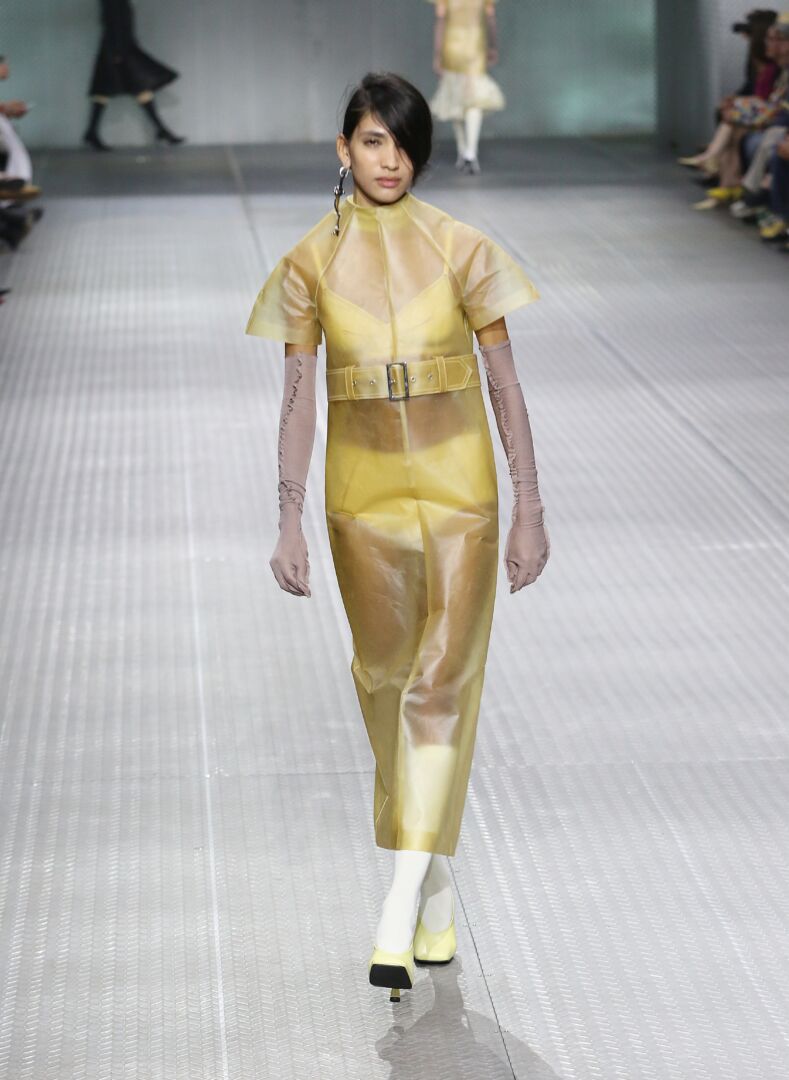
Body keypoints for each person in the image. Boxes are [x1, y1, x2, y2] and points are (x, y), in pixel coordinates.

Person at [245, 72, 549, 1001]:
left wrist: (529, 506)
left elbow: (505, 386)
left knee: (439, 685)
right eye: (374, 141)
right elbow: (297, 399)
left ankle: (393, 910)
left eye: (405, 143)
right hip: (360, 497)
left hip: (461, 493)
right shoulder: (309, 262)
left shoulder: (462, 247)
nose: (391, 160)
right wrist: (288, 514)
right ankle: (435, 884)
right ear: (343, 148)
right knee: (383, 683)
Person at [679, 15, 780, 177]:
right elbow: (752, 90)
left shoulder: (772, 69)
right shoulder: (762, 66)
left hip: (768, 117)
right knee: (730, 118)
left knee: (732, 121)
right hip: (764, 113)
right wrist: (735, 99)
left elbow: (766, 99)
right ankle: (718, 168)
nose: (745, 39)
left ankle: (713, 160)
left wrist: (739, 103)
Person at [82, 0, 184, 150]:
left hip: (120, 49)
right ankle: (161, 130)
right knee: (115, 88)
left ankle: (161, 130)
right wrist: (117, 52)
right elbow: (113, 23)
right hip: (119, 50)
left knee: (133, 88)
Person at [427, 0, 505, 174]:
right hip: (475, 46)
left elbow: (440, 21)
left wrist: (437, 55)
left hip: (452, 45)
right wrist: (493, 45)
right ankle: (470, 152)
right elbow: (491, 19)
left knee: (456, 98)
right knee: (474, 98)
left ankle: (463, 151)